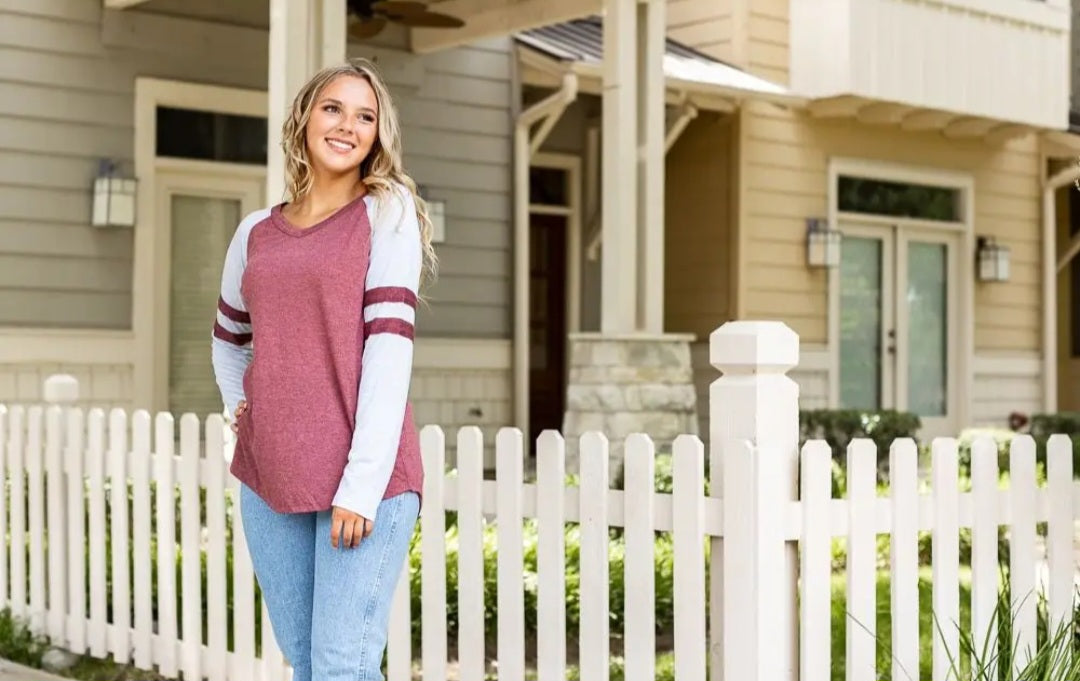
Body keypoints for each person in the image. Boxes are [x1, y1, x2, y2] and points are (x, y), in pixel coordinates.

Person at [210, 58, 437, 681]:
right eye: (333, 108)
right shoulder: (257, 231)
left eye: (365, 116)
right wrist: (244, 411)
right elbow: (229, 340)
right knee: (308, 663)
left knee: (343, 666)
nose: (347, 126)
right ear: (305, 118)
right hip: (271, 475)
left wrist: (360, 487)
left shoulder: (384, 215)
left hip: (366, 484)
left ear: (377, 136)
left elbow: (389, 352)